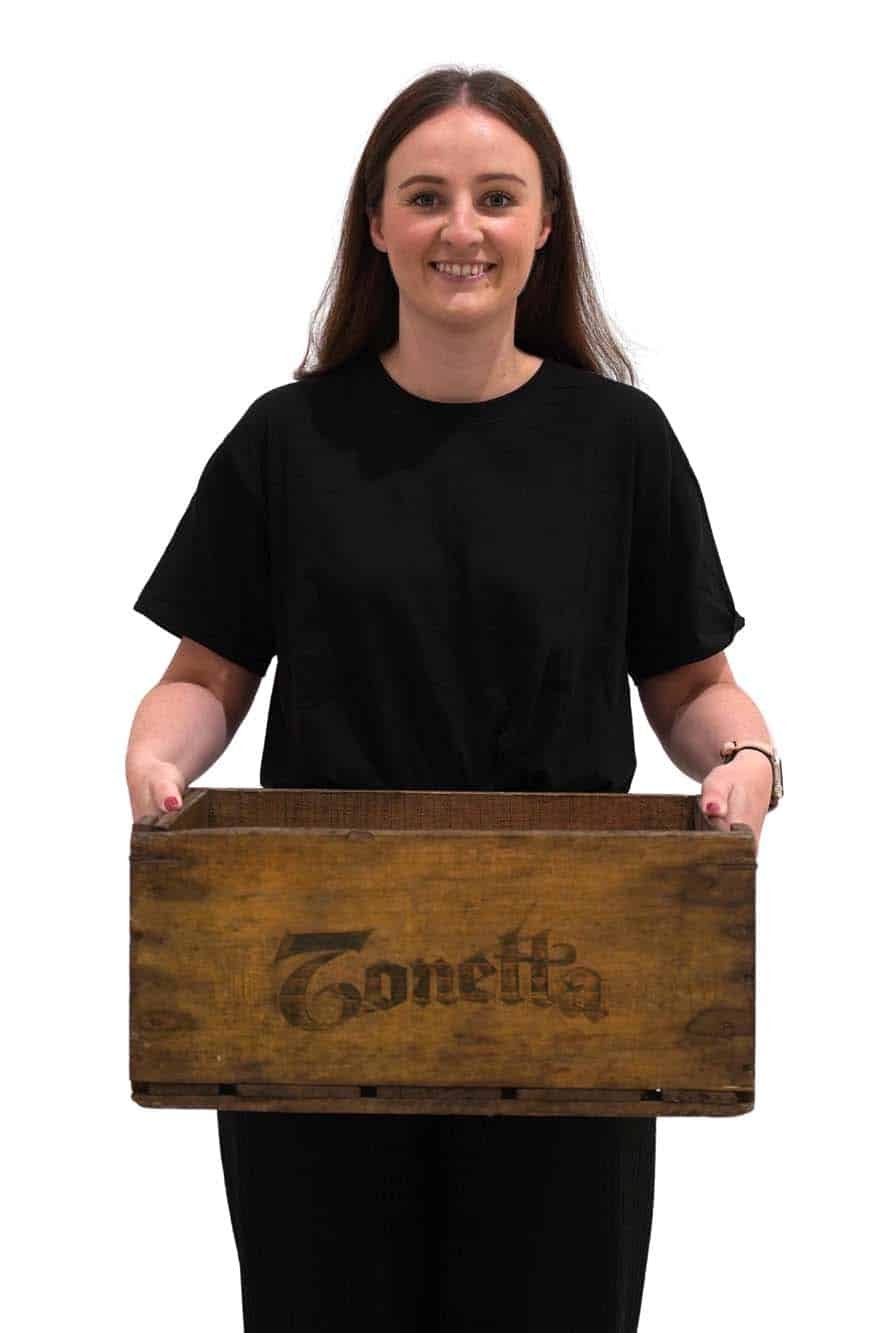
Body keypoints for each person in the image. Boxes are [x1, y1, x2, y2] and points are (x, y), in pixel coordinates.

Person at [125, 66, 780, 1333]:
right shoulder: (286, 441)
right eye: (425, 197)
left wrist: (746, 758)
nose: (460, 229)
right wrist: (158, 760)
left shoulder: (622, 445)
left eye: (495, 197)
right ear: (376, 224)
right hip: (316, 980)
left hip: (569, 983)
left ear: (545, 225)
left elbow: (693, 684)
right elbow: (203, 676)